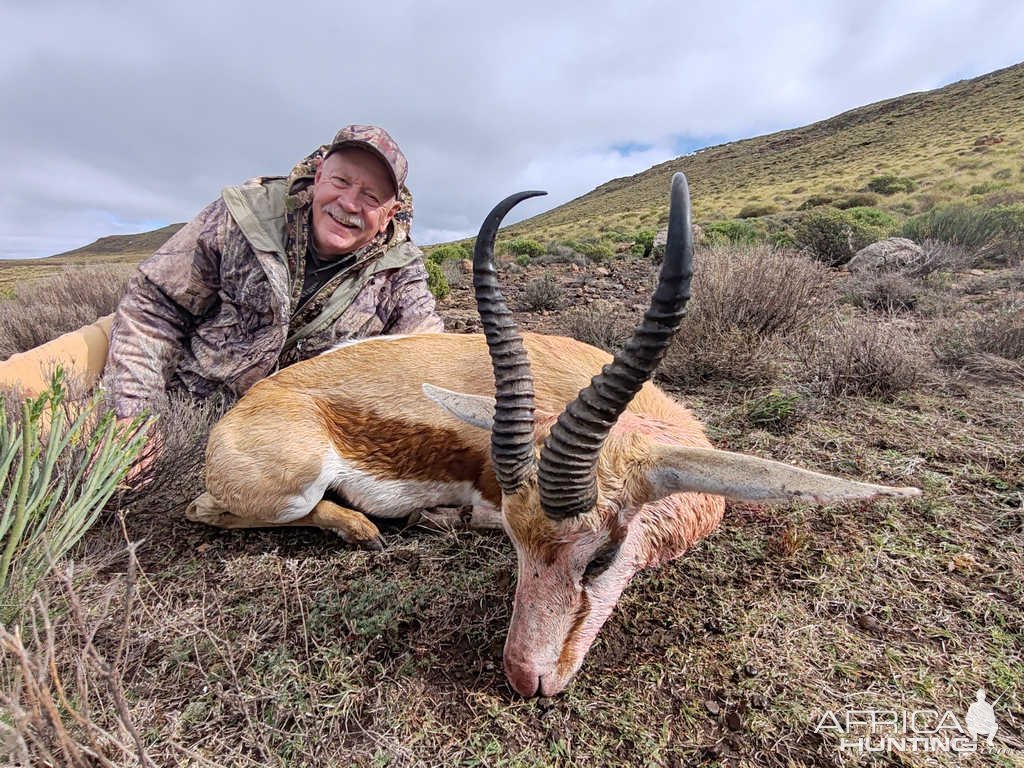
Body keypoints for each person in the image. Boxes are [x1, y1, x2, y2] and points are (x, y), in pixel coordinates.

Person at [102, 124, 444, 430]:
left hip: (290, 444)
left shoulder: (400, 272)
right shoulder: (245, 215)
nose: (350, 204)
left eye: (370, 197)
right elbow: (153, 306)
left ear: (389, 214)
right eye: (341, 181)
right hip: (184, 413)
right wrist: (135, 417)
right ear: (320, 173)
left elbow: (428, 355)